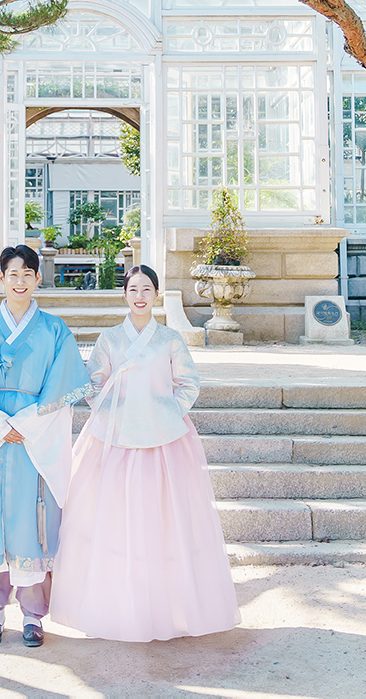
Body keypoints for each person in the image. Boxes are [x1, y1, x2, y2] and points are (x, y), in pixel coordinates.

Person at [50, 264, 240, 642]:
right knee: (112, 520)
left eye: (146, 289)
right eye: (133, 289)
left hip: (163, 438)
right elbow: (93, 384)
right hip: (115, 437)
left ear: (156, 294)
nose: (139, 296)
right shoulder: (109, 339)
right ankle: (115, 606)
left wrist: (166, 411)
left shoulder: (169, 338)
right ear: (124, 294)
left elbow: (188, 383)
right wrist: (113, 413)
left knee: (164, 521)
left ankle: (166, 607)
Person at [0, 244, 90, 649]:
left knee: (33, 522)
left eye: (28, 273)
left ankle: (32, 615)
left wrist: (25, 424)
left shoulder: (55, 331)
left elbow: (62, 384)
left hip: (34, 437)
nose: (20, 280)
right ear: (1, 278)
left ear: (38, 278)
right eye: (13, 273)